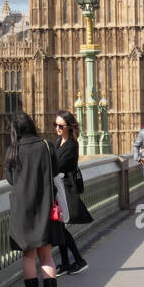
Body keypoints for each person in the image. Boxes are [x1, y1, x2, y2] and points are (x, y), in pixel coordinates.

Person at [5, 111, 65, 287]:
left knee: (28, 256)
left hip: (22, 209)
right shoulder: (46, 146)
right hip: (45, 204)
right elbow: (56, 172)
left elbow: (11, 180)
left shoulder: (13, 151)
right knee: (46, 256)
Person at [53, 111, 92, 274]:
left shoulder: (72, 144)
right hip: (57, 187)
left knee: (60, 228)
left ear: (68, 127)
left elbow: (59, 165)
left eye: (60, 126)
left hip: (64, 188)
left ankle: (79, 260)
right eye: (55, 125)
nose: (57, 128)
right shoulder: (58, 142)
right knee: (59, 226)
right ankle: (66, 262)